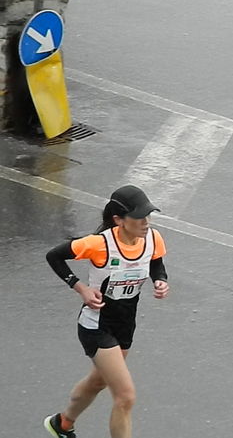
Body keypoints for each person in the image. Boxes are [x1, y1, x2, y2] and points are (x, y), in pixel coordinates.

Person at [44, 185, 170, 438]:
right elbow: (54, 256)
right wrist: (80, 288)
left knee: (98, 381)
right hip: (96, 326)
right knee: (125, 397)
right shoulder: (99, 244)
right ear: (119, 220)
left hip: (125, 324)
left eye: (148, 216)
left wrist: (161, 280)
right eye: (139, 217)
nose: (146, 223)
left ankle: (62, 423)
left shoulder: (152, 238)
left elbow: (156, 263)